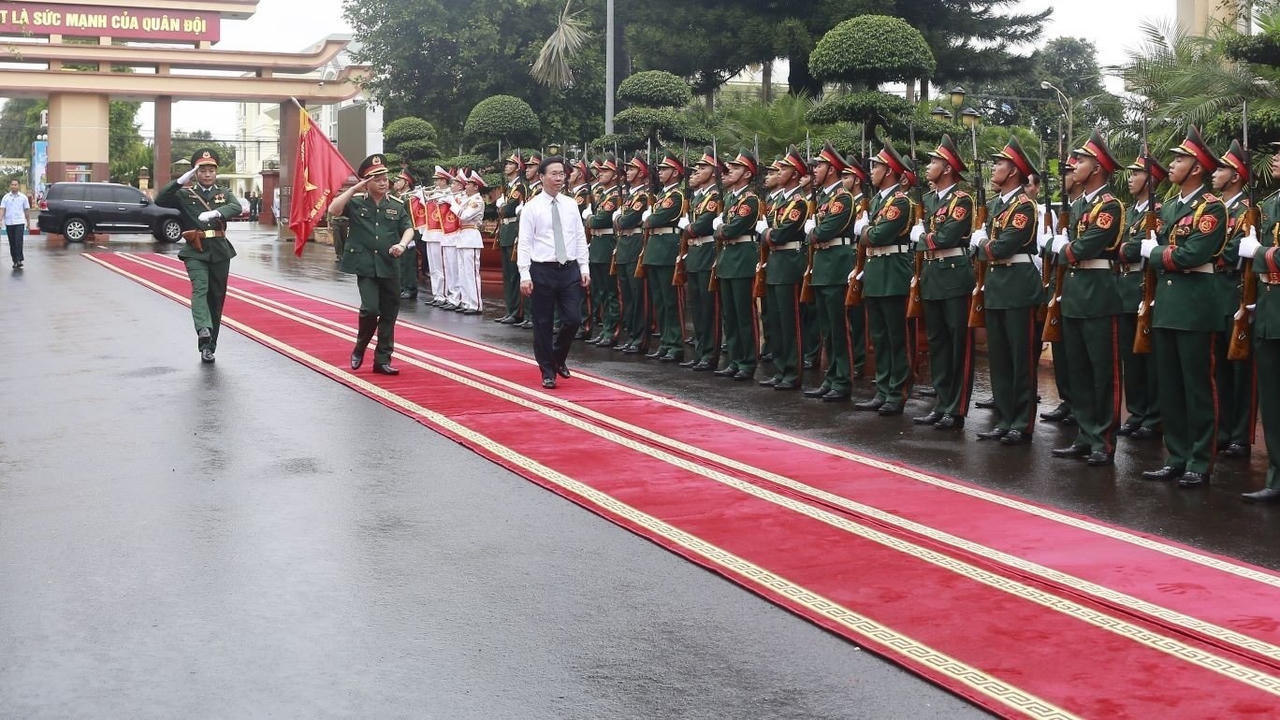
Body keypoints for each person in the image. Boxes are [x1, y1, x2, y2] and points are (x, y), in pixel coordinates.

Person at [1137, 126, 1228, 488]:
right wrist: (1158, 253)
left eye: (1179, 160)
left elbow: (1195, 253)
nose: (1171, 165)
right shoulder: (1171, 206)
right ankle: (1175, 456)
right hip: (1168, 305)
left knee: (1197, 386)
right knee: (1170, 386)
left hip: (1194, 305)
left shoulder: (1212, 208)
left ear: (1196, 168)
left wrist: (1156, 253)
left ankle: (1200, 460)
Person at [1046, 130, 1125, 466]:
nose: (1073, 165)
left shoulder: (1109, 206)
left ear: (1097, 169)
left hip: (1098, 294)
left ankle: (1102, 441)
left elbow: (1084, 247)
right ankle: (1084, 434)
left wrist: (1059, 248)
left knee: (1100, 372)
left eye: (1081, 160)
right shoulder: (1078, 205)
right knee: (1076, 369)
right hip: (1076, 293)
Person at [970, 137, 1041, 445]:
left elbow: (1003, 246)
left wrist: (981, 244)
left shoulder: (1024, 205)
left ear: (1013, 171)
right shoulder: (998, 205)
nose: (994, 168)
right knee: (999, 358)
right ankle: (1004, 417)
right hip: (998, 285)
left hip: (1018, 285)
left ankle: (1021, 422)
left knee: (1019, 358)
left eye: (999, 164)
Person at [908, 134, 976, 429]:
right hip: (933, 276)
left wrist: (921, 239)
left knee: (957, 342)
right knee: (937, 343)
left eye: (934, 161)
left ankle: (956, 408)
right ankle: (942, 402)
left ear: (947, 168)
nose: (928, 165)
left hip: (954, 274)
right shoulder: (927, 200)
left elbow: (947, 237)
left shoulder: (962, 200)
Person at [328, 153, 414, 375]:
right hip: (365, 264)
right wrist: (354, 189)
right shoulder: (356, 203)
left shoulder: (396, 204)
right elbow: (333, 210)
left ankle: (382, 359)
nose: (384, 182)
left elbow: (408, 227)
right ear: (367, 183)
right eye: (377, 179)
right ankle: (360, 346)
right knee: (370, 309)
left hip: (390, 263)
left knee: (389, 312)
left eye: (385, 178)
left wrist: (402, 245)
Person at [155, 149, 242, 363]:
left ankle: (209, 347)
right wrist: (179, 181)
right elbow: (160, 199)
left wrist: (216, 213)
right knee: (200, 287)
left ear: (216, 172)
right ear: (195, 172)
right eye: (202, 170)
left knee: (216, 298)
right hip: (196, 249)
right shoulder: (185, 194)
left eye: (211, 170)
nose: (207, 174)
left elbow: (236, 206)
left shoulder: (223, 193)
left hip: (220, 249)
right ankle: (203, 329)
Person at [517, 156, 591, 388]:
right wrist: (525, 274)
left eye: (562, 174)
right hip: (542, 270)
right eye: (554, 174)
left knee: (573, 319)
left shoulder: (570, 204)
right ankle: (547, 371)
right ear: (542, 177)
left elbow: (579, 236)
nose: (559, 178)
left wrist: (584, 267)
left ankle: (558, 357)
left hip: (568, 270)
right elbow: (525, 243)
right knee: (543, 323)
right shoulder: (532, 207)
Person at [854, 141, 914, 414]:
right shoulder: (878, 200)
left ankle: (897, 391)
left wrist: (864, 230)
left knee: (895, 336)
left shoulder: (900, 201)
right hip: (877, 272)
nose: (871, 171)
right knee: (878, 335)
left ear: (889, 170)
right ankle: (882, 388)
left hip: (892, 272)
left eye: (876, 166)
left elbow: (878, 235)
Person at [1238, 145, 1280, 502]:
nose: (1276, 159)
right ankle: (1276, 477)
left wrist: (1261, 255)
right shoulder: (1269, 203)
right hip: (1269, 310)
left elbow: (1267, 254)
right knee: (1272, 401)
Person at [1210, 139, 1255, 459]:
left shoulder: (1245, 211)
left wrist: (1200, 254)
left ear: (1237, 175)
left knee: (1241, 372)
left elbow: (1232, 252)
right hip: (1213, 295)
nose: (1216, 173)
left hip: (1235, 293)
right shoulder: (1211, 207)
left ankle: (1240, 434)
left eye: (1223, 169)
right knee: (1219, 370)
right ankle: (1223, 429)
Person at [802, 142, 858, 401]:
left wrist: (812, 231)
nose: (814, 169)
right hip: (824, 266)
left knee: (838, 327)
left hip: (836, 265)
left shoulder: (842, 198)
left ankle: (843, 379)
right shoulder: (824, 197)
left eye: (820, 165)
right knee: (826, 327)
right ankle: (831, 376)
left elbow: (823, 232)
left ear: (833, 170)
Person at [1117, 153, 1166, 441]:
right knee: (1130, 356)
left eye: (1137, 174)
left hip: (1145, 284)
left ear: (1150, 179)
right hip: (1125, 285)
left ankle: (1154, 416)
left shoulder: (1156, 211)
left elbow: (1135, 249)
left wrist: (1122, 248)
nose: (1131, 178)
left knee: (1149, 355)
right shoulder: (1131, 211)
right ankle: (1136, 412)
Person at [678, 148, 723, 370]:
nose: (697, 170)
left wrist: (687, 227)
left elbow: (701, 226)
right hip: (695, 255)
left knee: (708, 309)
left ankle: (709, 353)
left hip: (706, 253)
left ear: (714, 172)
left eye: (703, 167)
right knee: (696, 308)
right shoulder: (699, 197)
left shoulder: (715, 197)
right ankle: (700, 351)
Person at [641, 151, 688, 362]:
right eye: (659, 169)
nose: (659, 172)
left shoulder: (676, 196)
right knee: (659, 301)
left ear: (676, 173)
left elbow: (656, 220)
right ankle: (666, 341)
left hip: (667, 250)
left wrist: (649, 218)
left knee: (671, 301)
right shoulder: (662, 195)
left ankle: (675, 343)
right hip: (655, 250)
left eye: (664, 169)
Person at [614, 154, 652, 354]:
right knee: (627, 296)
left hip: (634, 246)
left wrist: (619, 219)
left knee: (638, 296)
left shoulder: (643, 196)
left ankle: (639, 337)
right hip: (624, 246)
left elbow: (626, 222)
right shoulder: (630, 196)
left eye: (631, 169)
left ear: (642, 173)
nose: (627, 172)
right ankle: (631, 335)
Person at [584, 154, 622, 346]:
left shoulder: (615, 196)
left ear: (615, 175)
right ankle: (605, 329)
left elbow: (599, 220)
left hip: (607, 245)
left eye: (605, 171)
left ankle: (611, 330)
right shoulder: (605, 195)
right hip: (598, 246)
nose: (600, 174)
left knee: (610, 291)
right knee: (599, 291)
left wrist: (589, 218)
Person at [495, 152, 528, 324]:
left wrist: (502, 206)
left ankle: (516, 311)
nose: (506, 166)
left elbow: (507, 211)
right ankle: (510, 310)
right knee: (508, 275)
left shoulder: (520, 187)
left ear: (517, 167)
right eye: (506, 163)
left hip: (514, 230)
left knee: (515, 275)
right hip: (506, 231)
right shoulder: (509, 188)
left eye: (510, 164)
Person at [449, 170, 486, 314]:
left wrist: (452, 203)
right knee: (463, 272)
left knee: (471, 272)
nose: (466, 186)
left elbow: (464, 216)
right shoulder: (467, 200)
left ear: (476, 186)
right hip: (463, 236)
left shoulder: (477, 201)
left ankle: (475, 304)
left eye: (469, 184)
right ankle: (466, 301)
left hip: (471, 236)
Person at [423, 166, 451, 306]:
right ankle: (437, 294)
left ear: (445, 180)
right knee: (433, 268)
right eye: (436, 180)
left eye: (439, 180)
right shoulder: (434, 193)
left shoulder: (448, 194)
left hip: (440, 233)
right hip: (430, 233)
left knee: (442, 267)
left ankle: (444, 295)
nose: (436, 183)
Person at [392, 170, 420, 300]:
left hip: (408, 234)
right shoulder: (399, 196)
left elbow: (412, 219)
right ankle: (402, 287)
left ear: (406, 183)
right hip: (398, 234)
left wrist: (412, 236)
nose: (396, 183)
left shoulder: (410, 198)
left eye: (399, 180)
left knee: (409, 263)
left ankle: (410, 288)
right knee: (400, 263)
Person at [3, 179, 29, 269]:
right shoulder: (6, 197)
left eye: (15, 184)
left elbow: (26, 210)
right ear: (10, 186)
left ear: (18, 186)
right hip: (9, 223)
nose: (14, 186)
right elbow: (2, 209)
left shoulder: (23, 197)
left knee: (18, 241)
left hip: (19, 222)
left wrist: (28, 222)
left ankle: (19, 260)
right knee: (12, 242)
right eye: (12, 184)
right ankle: (14, 260)